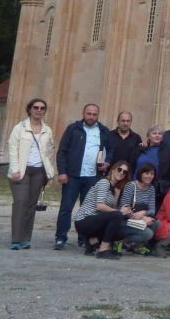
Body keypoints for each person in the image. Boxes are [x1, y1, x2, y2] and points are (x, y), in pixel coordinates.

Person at [54, 103, 113, 250]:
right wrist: (62, 171)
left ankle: (84, 238)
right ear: (83, 113)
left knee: (89, 210)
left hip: (93, 177)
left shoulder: (104, 131)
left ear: (98, 115)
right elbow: (62, 151)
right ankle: (61, 238)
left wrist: (107, 163)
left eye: (94, 114)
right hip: (73, 176)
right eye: (89, 114)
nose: (91, 117)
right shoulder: (73, 129)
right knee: (66, 208)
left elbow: (111, 150)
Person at [6, 98, 57, 250]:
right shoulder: (20, 128)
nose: (39, 110)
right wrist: (15, 169)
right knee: (20, 202)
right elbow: (12, 149)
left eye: (42, 108)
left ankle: (25, 238)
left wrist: (49, 171)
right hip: (22, 170)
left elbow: (49, 150)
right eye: (36, 107)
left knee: (31, 205)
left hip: (39, 171)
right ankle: (16, 239)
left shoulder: (47, 130)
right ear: (29, 109)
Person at [72, 161, 131, 260]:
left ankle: (91, 243)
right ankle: (103, 250)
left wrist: (117, 195)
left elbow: (111, 210)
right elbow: (100, 206)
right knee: (117, 215)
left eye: (124, 172)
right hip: (84, 220)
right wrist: (120, 212)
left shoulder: (114, 189)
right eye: (119, 169)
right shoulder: (104, 182)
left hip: (95, 220)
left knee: (119, 226)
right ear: (113, 170)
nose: (121, 173)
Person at [119, 162, 158, 255]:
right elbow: (124, 208)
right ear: (141, 173)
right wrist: (142, 218)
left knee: (156, 223)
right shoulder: (131, 186)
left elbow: (152, 210)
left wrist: (144, 212)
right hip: (126, 219)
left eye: (152, 174)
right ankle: (121, 241)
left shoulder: (151, 188)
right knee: (148, 234)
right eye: (146, 173)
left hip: (139, 218)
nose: (149, 176)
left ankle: (135, 245)